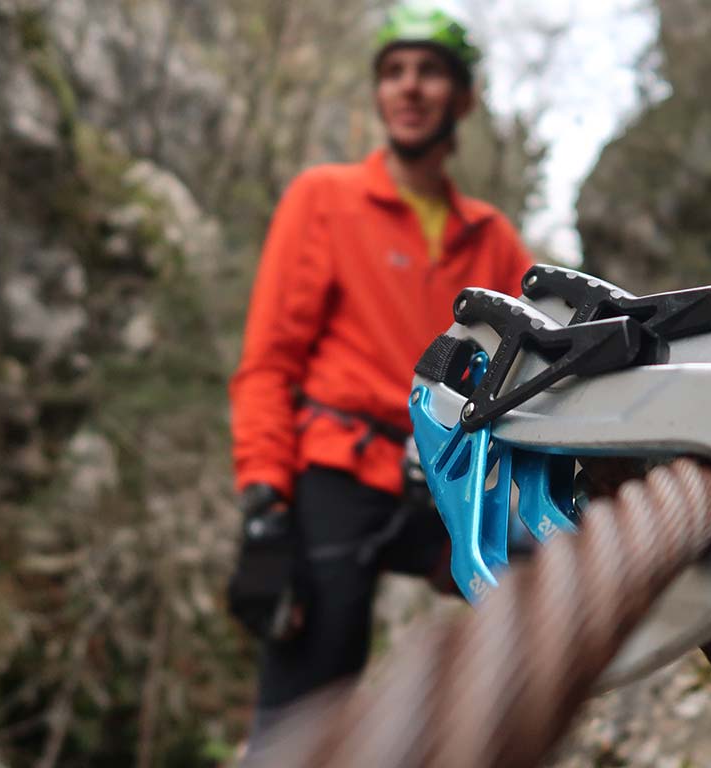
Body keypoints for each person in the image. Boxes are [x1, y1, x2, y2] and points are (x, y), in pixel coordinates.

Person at [226, 4, 535, 726]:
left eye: (429, 72)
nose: (409, 87)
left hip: (447, 476)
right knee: (307, 709)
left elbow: (539, 361)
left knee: (550, 587)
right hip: (339, 468)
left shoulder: (489, 237)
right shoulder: (325, 200)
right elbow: (268, 363)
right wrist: (265, 508)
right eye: (393, 72)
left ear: (463, 98)